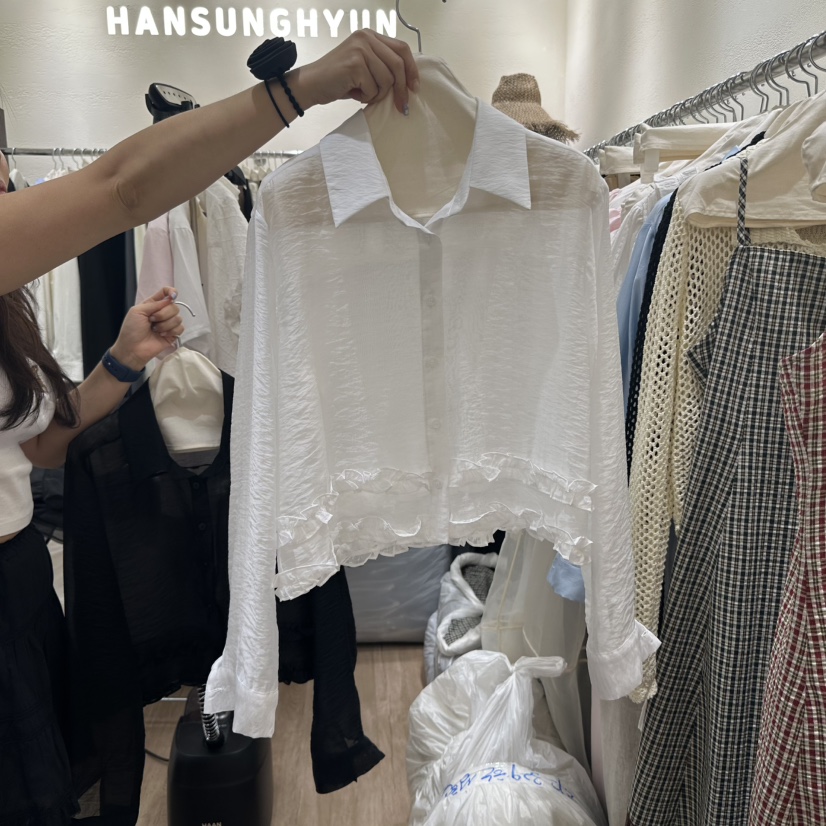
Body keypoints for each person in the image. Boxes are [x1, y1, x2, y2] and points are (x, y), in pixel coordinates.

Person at [0, 30, 418, 824]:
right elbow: (124, 188)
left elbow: (42, 445)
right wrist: (302, 89)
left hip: (20, 595)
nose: (5, 176)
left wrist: (121, 361)